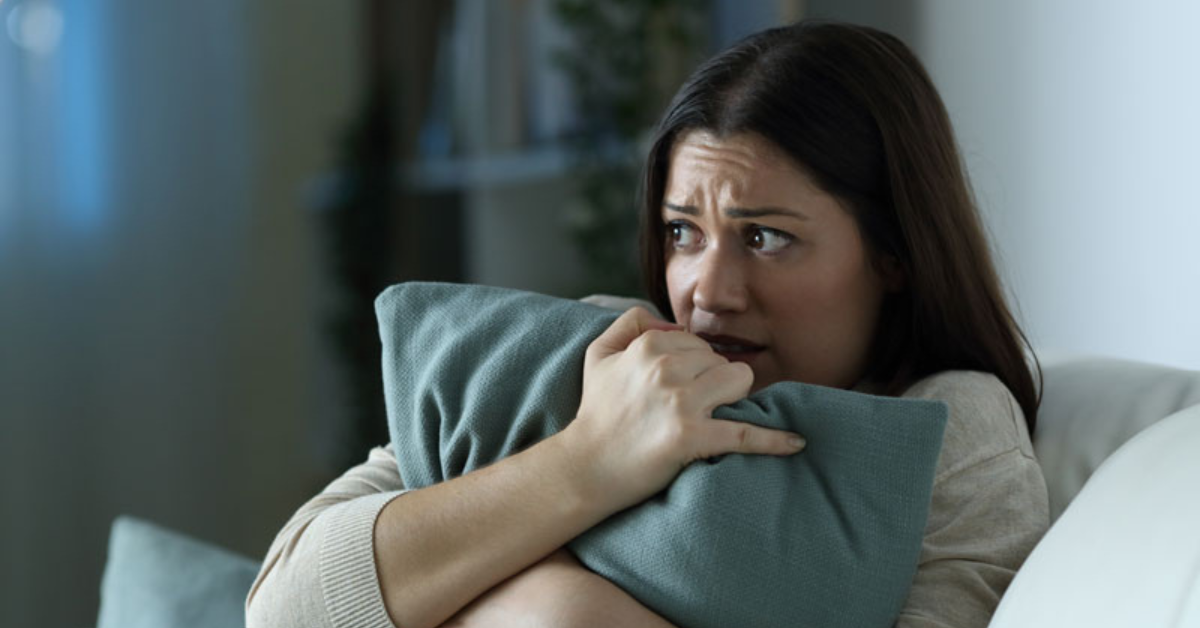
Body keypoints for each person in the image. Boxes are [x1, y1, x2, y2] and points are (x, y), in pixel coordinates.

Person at [246, 20, 1049, 628]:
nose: (708, 290)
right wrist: (584, 463)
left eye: (766, 237)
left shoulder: (955, 430)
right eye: (681, 233)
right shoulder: (605, 358)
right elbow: (282, 608)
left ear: (894, 252)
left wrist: (547, 600)